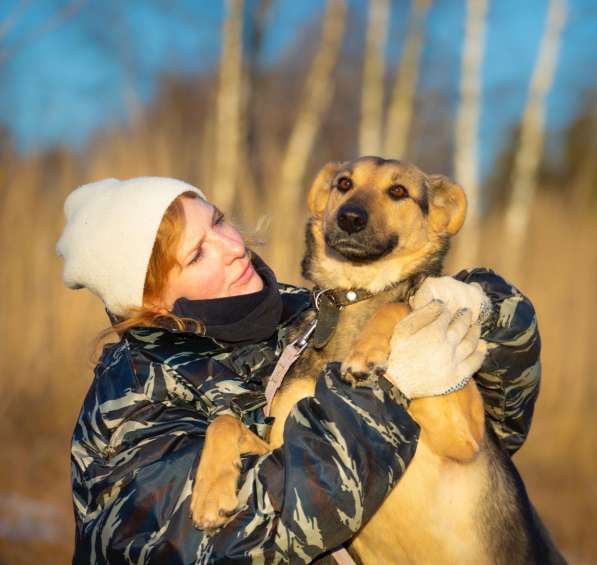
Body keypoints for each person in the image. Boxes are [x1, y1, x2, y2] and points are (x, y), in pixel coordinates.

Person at [57, 177, 540, 564]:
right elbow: (249, 534)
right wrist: (385, 389)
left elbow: (500, 428)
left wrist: (483, 309)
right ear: (148, 301)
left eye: (219, 222)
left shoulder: (309, 313)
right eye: (198, 253)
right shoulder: (127, 410)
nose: (231, 246)